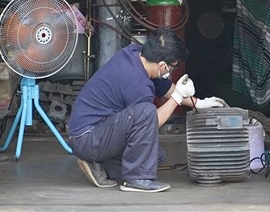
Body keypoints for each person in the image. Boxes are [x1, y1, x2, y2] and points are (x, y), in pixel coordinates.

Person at [67, 26, 228, 193]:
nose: (172, 70)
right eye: (173, 67)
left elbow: (167, 89)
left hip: (96, 132)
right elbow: (151, 121)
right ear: (163, 65)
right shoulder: (136, 83)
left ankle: (100, 167)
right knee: (146, 112)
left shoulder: (137, 56)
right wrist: (178, 98)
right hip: (87, 138)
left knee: (155, 156)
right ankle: (137, 179)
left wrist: (200, 103)